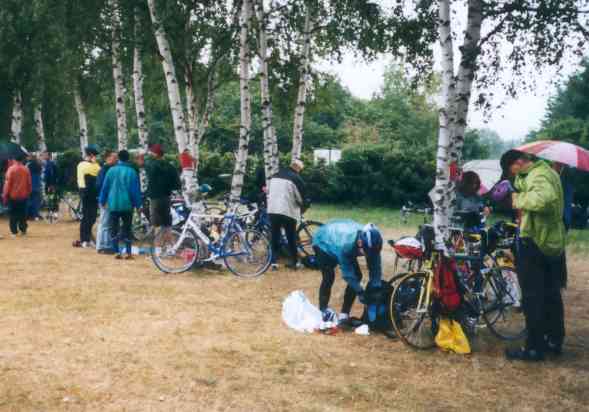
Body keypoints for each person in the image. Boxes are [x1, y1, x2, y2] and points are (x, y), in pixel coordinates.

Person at [500, 150, 567, 362]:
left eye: (511, 170)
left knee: (532, 296)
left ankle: (534, 348)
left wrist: (516, 199)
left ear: (518, 162)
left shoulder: (539, 175)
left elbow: (543, 200)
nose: (512, 175)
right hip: (549, 241)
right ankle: (553, 340)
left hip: (537, 243)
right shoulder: (543, 172)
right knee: (550, 293)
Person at [312, 220, 384, 326]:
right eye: (366, 252)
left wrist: (376, 286)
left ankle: (344, 315)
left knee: (358, 275)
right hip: (323, 242)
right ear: (360, 243)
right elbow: (347, 274)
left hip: (340, 241)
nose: (368, 255)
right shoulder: (347, 245)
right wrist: (360, 291)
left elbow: (375, 267)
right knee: (329, 276)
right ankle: (323, 309)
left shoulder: (374, 243)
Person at [99, 150, 142, 259]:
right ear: (128, 159)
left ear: (118, 158)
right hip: (127, 205)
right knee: (127, 228)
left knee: (113, 227)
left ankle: (116, 251)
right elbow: (135, 191)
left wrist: (102, 201)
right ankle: (128, 252)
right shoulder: (132, 172)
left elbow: (105, 188)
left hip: (113, 204)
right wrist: (138, 205)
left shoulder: (110, 170)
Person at [267, 159, 307, 270]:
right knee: (291, 237)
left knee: (274, 236)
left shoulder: (275, 175)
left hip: (273, 210)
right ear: (298, 168)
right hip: (287, 211)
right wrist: (303, 207)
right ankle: (294, 262)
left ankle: (273, 262)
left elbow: (269, 192)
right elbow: (301, 198)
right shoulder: (296, 179)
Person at [145, 144, 181, 230]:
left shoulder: (151, 165)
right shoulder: (171, 167)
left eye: (151, 153)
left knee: (156, 223)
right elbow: (177, 185)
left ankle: (158, 243)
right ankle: (168, 242)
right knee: (167, 222)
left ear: (155, 154)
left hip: (155, 198)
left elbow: (145, 167)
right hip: (166, 197)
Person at [76, 145, 101, 248]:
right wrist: (82, 192)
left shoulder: (95, 165)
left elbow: (99, 172)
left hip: (94, 194)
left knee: (93, 217)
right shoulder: (82, 164)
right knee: (86, 217)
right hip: (86, 193)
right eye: (94, 155)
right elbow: (81, 179)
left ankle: (88, 237)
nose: (95, 157)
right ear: (90, 155)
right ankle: (84, 239)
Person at [2, 155, 32, 237]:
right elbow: (29, 183)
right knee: (23, 214)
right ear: (22, 160)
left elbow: (7, 184)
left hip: (13, 196)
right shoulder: (26, 169)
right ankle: (23, 230)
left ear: (14, 160)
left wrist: (5, 195)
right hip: (23, 195)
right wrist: (28, 192)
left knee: (13, 214)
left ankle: (14, 232)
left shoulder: (11, 169)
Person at [95, 150, 118, 254]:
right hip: (106, 200)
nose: (116, 159)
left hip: (109, 199)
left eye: (116, 157)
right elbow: (100, 186)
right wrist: (104, 200)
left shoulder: (110, 169)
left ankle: (105, 244)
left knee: (107, 223)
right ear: (107, 158)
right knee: (104, 223)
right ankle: (103, 245)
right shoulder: (104, 170)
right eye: (114, 157)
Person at [26, 155, 43, 220]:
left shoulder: (28, 165)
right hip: (37, 185)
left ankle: (28, 215)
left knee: (28, 201)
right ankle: (35, 214)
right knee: (36, 201)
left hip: (29, 185)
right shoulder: (39, 166)